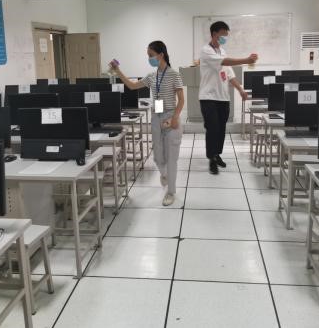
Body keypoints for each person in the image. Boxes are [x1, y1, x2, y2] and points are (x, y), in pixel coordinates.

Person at [110, 41, 184, 206]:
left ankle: (170, 192)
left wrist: (175, 118)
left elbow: (181, 100)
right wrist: (117, 70)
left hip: (170, 116)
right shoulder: (151, 76)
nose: (149, 58)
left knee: (171, 158)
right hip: (156, 117)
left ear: (161, 55)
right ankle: (164, 174)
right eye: (148, 56)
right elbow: (132, 86)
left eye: (151, 55)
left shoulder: (174, 74)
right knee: (157, 156)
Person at [199, 21, 258, 174]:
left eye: (226, 35)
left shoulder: (222, 51)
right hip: (208, 97)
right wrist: (246, 60)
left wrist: (240, 90)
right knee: (212, 128)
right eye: (223, 34)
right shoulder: (206, 50)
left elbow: (230, 75)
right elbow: (224, 62)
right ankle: (211, 159)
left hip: (223, 98)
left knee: (221, 129)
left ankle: (217, 154)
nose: (225, 38)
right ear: (214, 34)